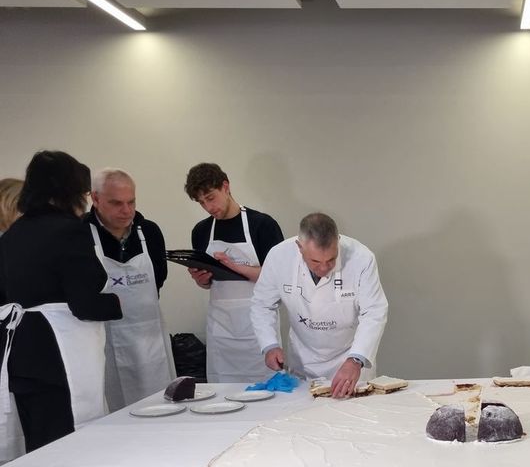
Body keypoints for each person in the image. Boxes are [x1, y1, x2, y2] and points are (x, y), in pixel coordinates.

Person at [0, 151, 121, 456]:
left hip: (21, 357)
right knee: (69, 446)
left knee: (39, 446)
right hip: (59, 357)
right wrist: (116, 303)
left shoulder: (13, 234)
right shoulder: (68, 230)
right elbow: (84, 304)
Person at [251, 212, 388, 398]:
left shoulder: (362, 258)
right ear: (299, 247)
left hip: (349, 360)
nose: (324, 268)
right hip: (303, 361)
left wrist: (356, 359)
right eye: (315, 261)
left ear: (338, 242)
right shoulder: (279, 257)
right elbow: (262, 304)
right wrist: (269, 344)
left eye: (331, 259)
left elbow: (374, 312)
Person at [83, 168, 174, 411]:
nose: (126, 211)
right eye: (116, 203)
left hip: (150, 335)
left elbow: (159, 278)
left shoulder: (149, 232)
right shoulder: (80, 234)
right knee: (114, 409)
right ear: (96, 198)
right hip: (105, 339)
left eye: (131, 202)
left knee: (159, 406)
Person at [184, 163, 284, 383]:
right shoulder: (201, 231)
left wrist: (234, 266)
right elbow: (208, 283)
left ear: (226, 186)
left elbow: (278, 278)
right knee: (222, 392)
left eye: (211, 198)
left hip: (257, 328)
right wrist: (201, 280)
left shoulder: (262, 225)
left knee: (266, 391)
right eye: (201, 202)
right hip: (221, 329)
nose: (208, 207)